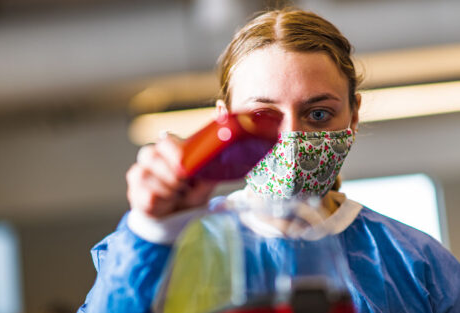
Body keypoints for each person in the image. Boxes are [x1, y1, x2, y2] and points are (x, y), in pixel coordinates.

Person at [78, 9, 460, 313]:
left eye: (319, 114)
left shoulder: (416, 263)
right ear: (224, 121)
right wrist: (153, 233)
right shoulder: (162, 250)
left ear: (353, 115)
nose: (291, 138)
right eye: (263, 118)